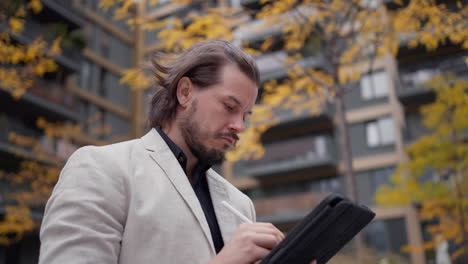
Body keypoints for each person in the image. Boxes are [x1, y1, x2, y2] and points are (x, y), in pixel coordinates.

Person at [39, 40, 316, 264]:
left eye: (246, 115)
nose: (239, 126)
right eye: (230, 107)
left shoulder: (241, 205)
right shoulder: (102, 169)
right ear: (185, 92)